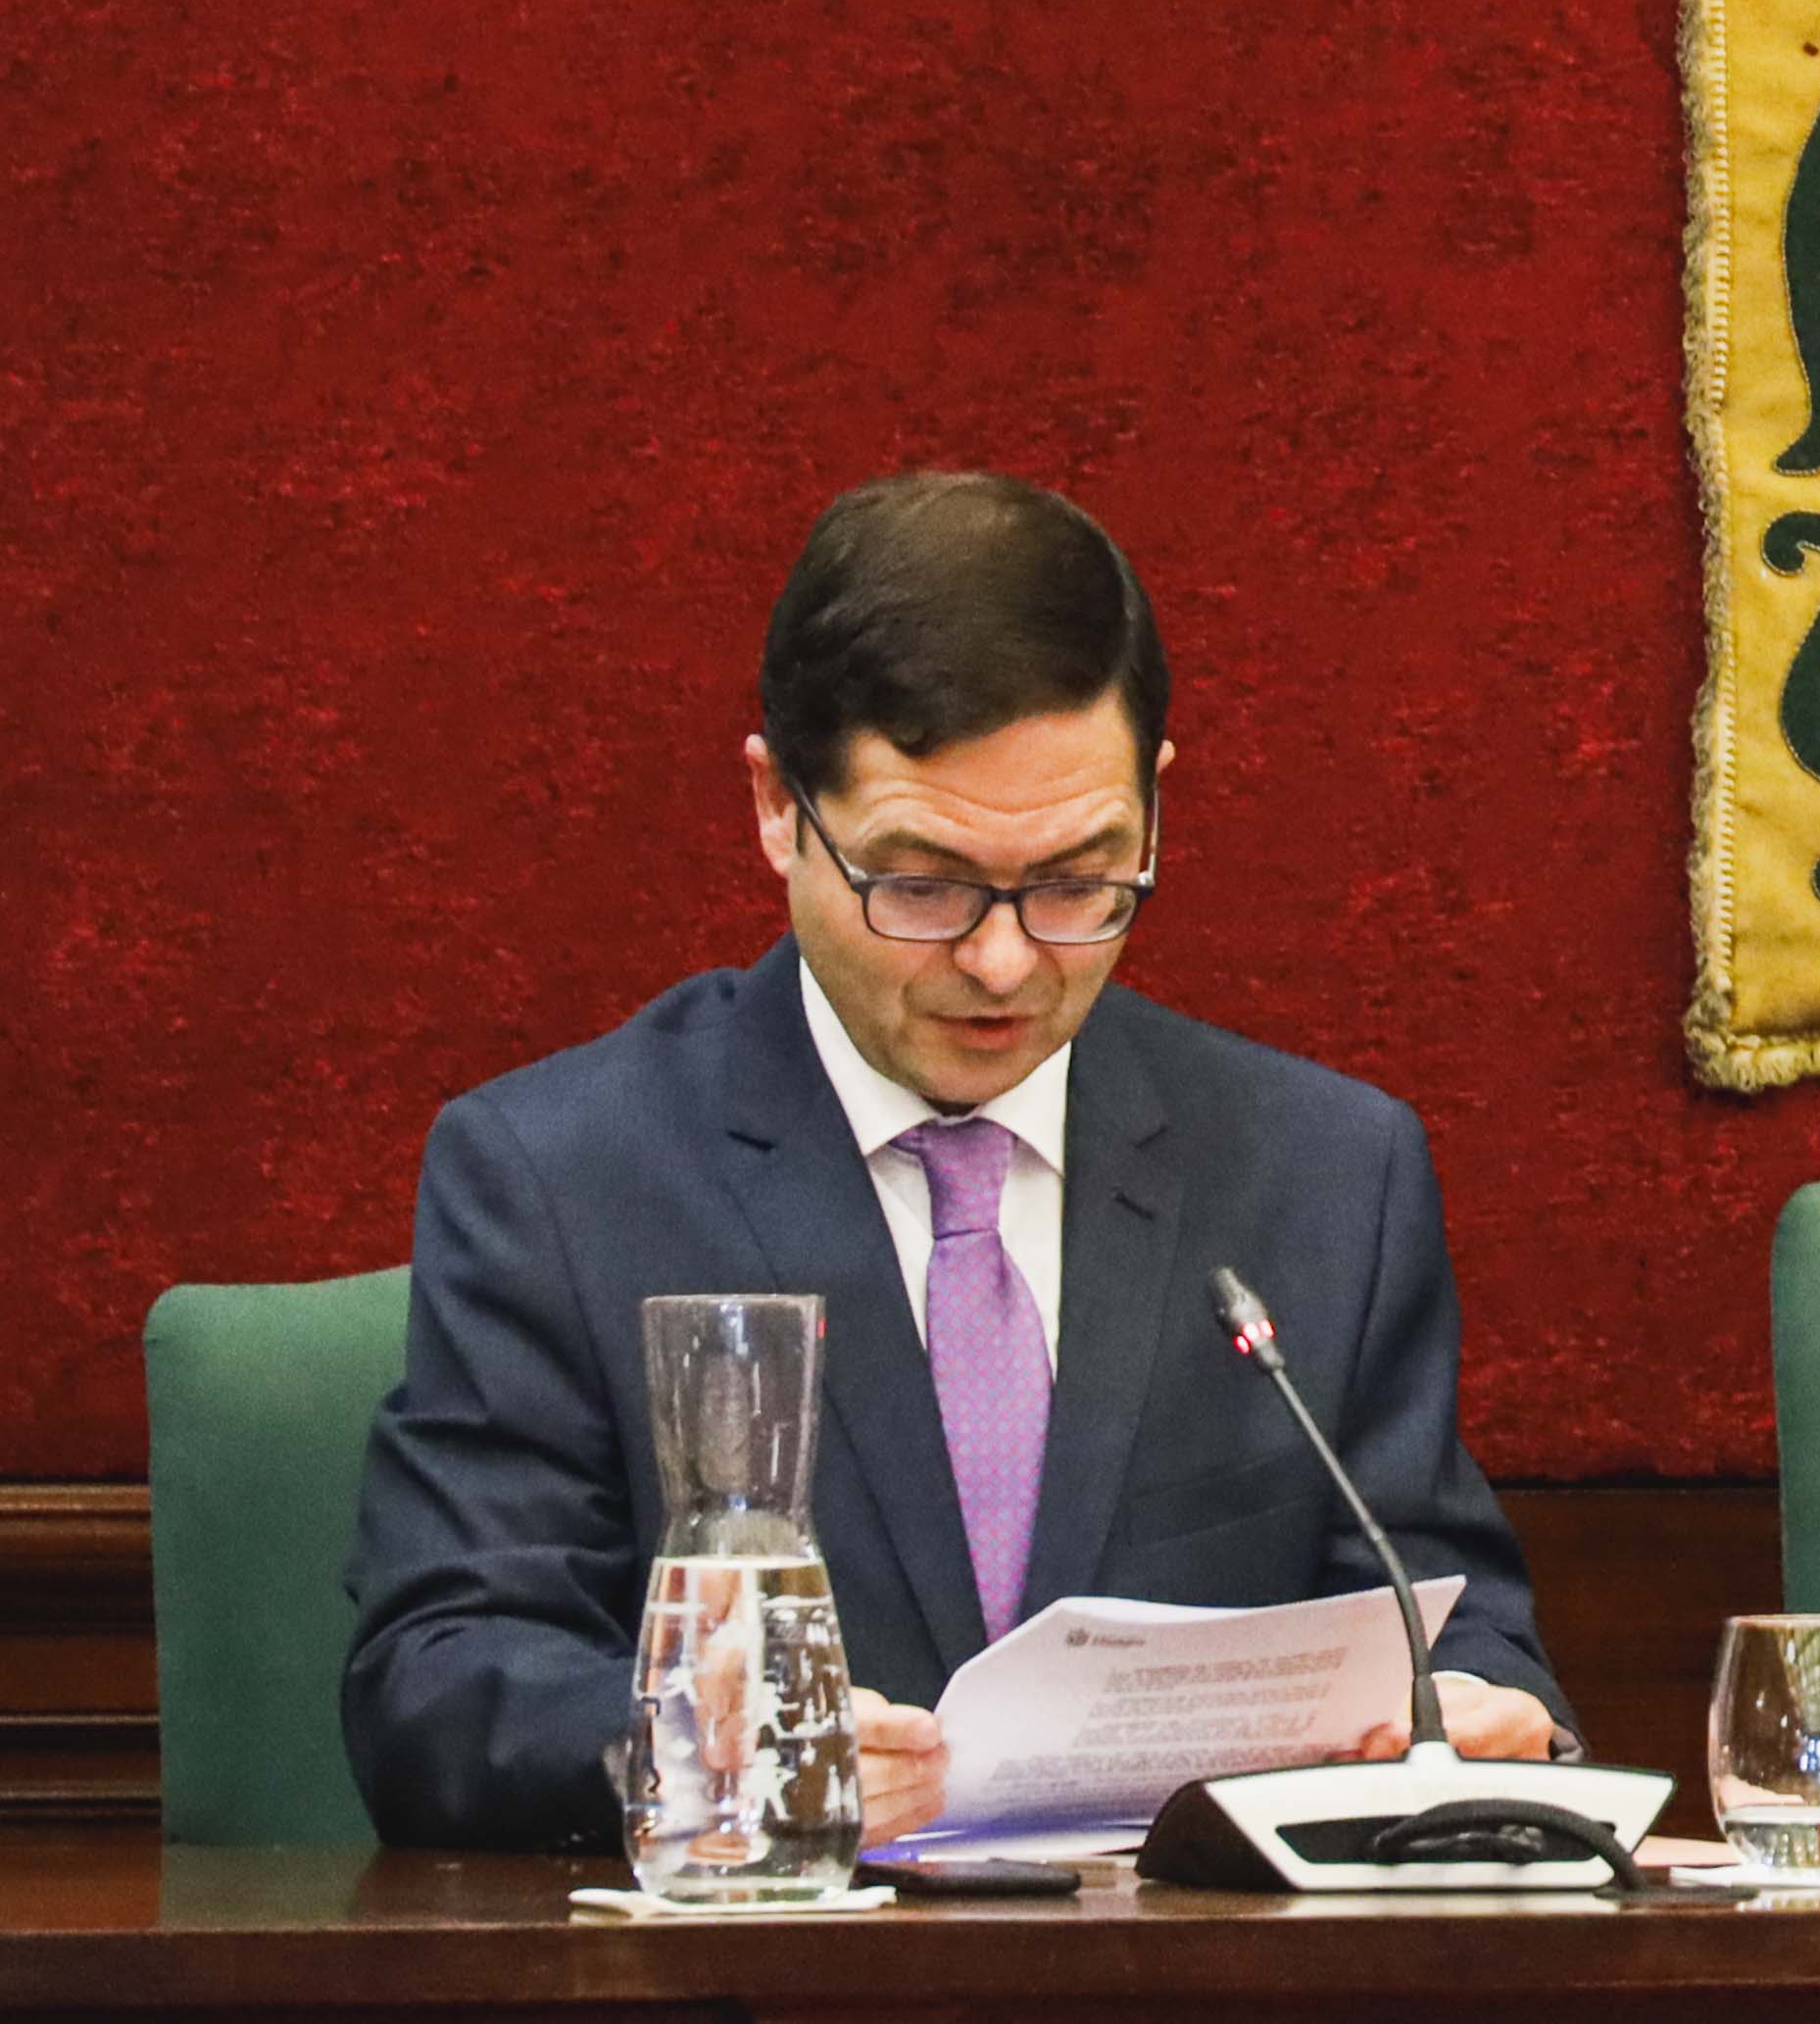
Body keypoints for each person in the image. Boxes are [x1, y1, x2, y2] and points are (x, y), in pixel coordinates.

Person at [342, 473, 1568, 1850]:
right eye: (921, 884)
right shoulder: (561, 1177)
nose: (1001, 960)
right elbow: (438, 1685)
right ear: (777, 807)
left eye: (1078, 880)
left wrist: (1478, 1712)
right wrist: (712, 1741)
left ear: (1155, 810)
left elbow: (1463, 1629)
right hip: (765, 1953)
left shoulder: (1327, 1174)